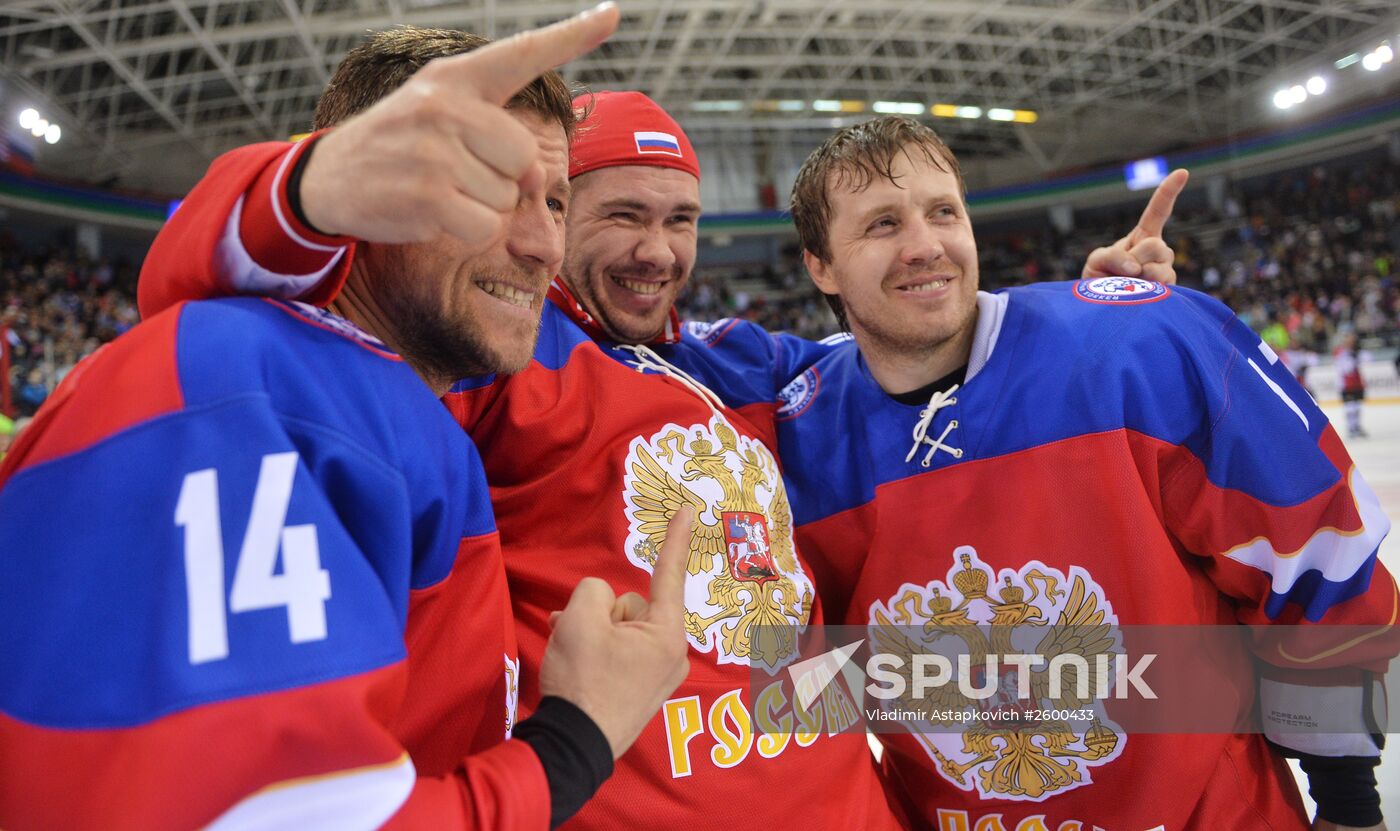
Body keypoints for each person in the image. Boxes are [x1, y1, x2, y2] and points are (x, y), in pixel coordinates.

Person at [136, 81, 1183, 830]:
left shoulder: (747, 365)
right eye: (619, 215)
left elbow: (914, 351)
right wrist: (311, 185)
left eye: (679, 219)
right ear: (550, 218)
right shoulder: (502, 355)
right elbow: (225, 287)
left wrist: (1067, 322)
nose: (657, 250)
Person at [0, 8, 696, 830]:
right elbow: (265, 812)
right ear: (370, 184)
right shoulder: (249, 381)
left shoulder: (417, 413)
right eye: (492, 190)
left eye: (554, 202)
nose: (546, 243)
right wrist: (575, 741)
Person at [779, 115, 1397, 831]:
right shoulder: (797, 435)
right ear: (821, 266)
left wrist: (1348, 802)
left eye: (943, 211)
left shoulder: (1138, 348)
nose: (925, 245)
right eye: (883, 223)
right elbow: (796, 671)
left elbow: (1309, 551)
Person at [1335, 331, 1370, 439]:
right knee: (1350, 407)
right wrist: (1352, 359)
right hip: (1346, 384)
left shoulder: (1358, 352)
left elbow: (1368, 359)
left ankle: (1357, 426)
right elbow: (1345, 369)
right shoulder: (1341, 353)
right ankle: (1351, 427)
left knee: (1357, 406)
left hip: (1357, 383)